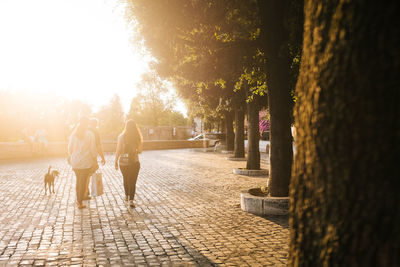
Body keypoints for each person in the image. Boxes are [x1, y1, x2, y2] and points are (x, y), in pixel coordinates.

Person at [68, 116, 97, 209]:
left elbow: (69, 149)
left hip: (75, 162)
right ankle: (80, 202)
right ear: (87, 123)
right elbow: (93, 149)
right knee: (83, 182)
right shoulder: (90, 134)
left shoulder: (73, 134)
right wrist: (95, 160)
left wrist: (73, 155)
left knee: (78, 181)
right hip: (86, 162)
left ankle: (79, 200)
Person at [115, 119, 143, 208]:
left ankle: (126, 195)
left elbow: (118, 150)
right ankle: (131, 200)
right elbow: (140, 151)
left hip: (123, 162)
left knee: (125, 178)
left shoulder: (121, 136)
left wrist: (115, 161)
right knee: (132, 181)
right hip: (134, 161)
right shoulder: (138, 137)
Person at [84, 118, 106, 199]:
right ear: (96, 124)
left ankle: (85, 190)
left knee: (84, 174)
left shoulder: (84, 130)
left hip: (82, 156)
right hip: (91, 156)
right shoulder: (95, 131)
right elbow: (98, 146)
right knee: (89, 174)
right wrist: (102, 157)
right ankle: (86, 191)